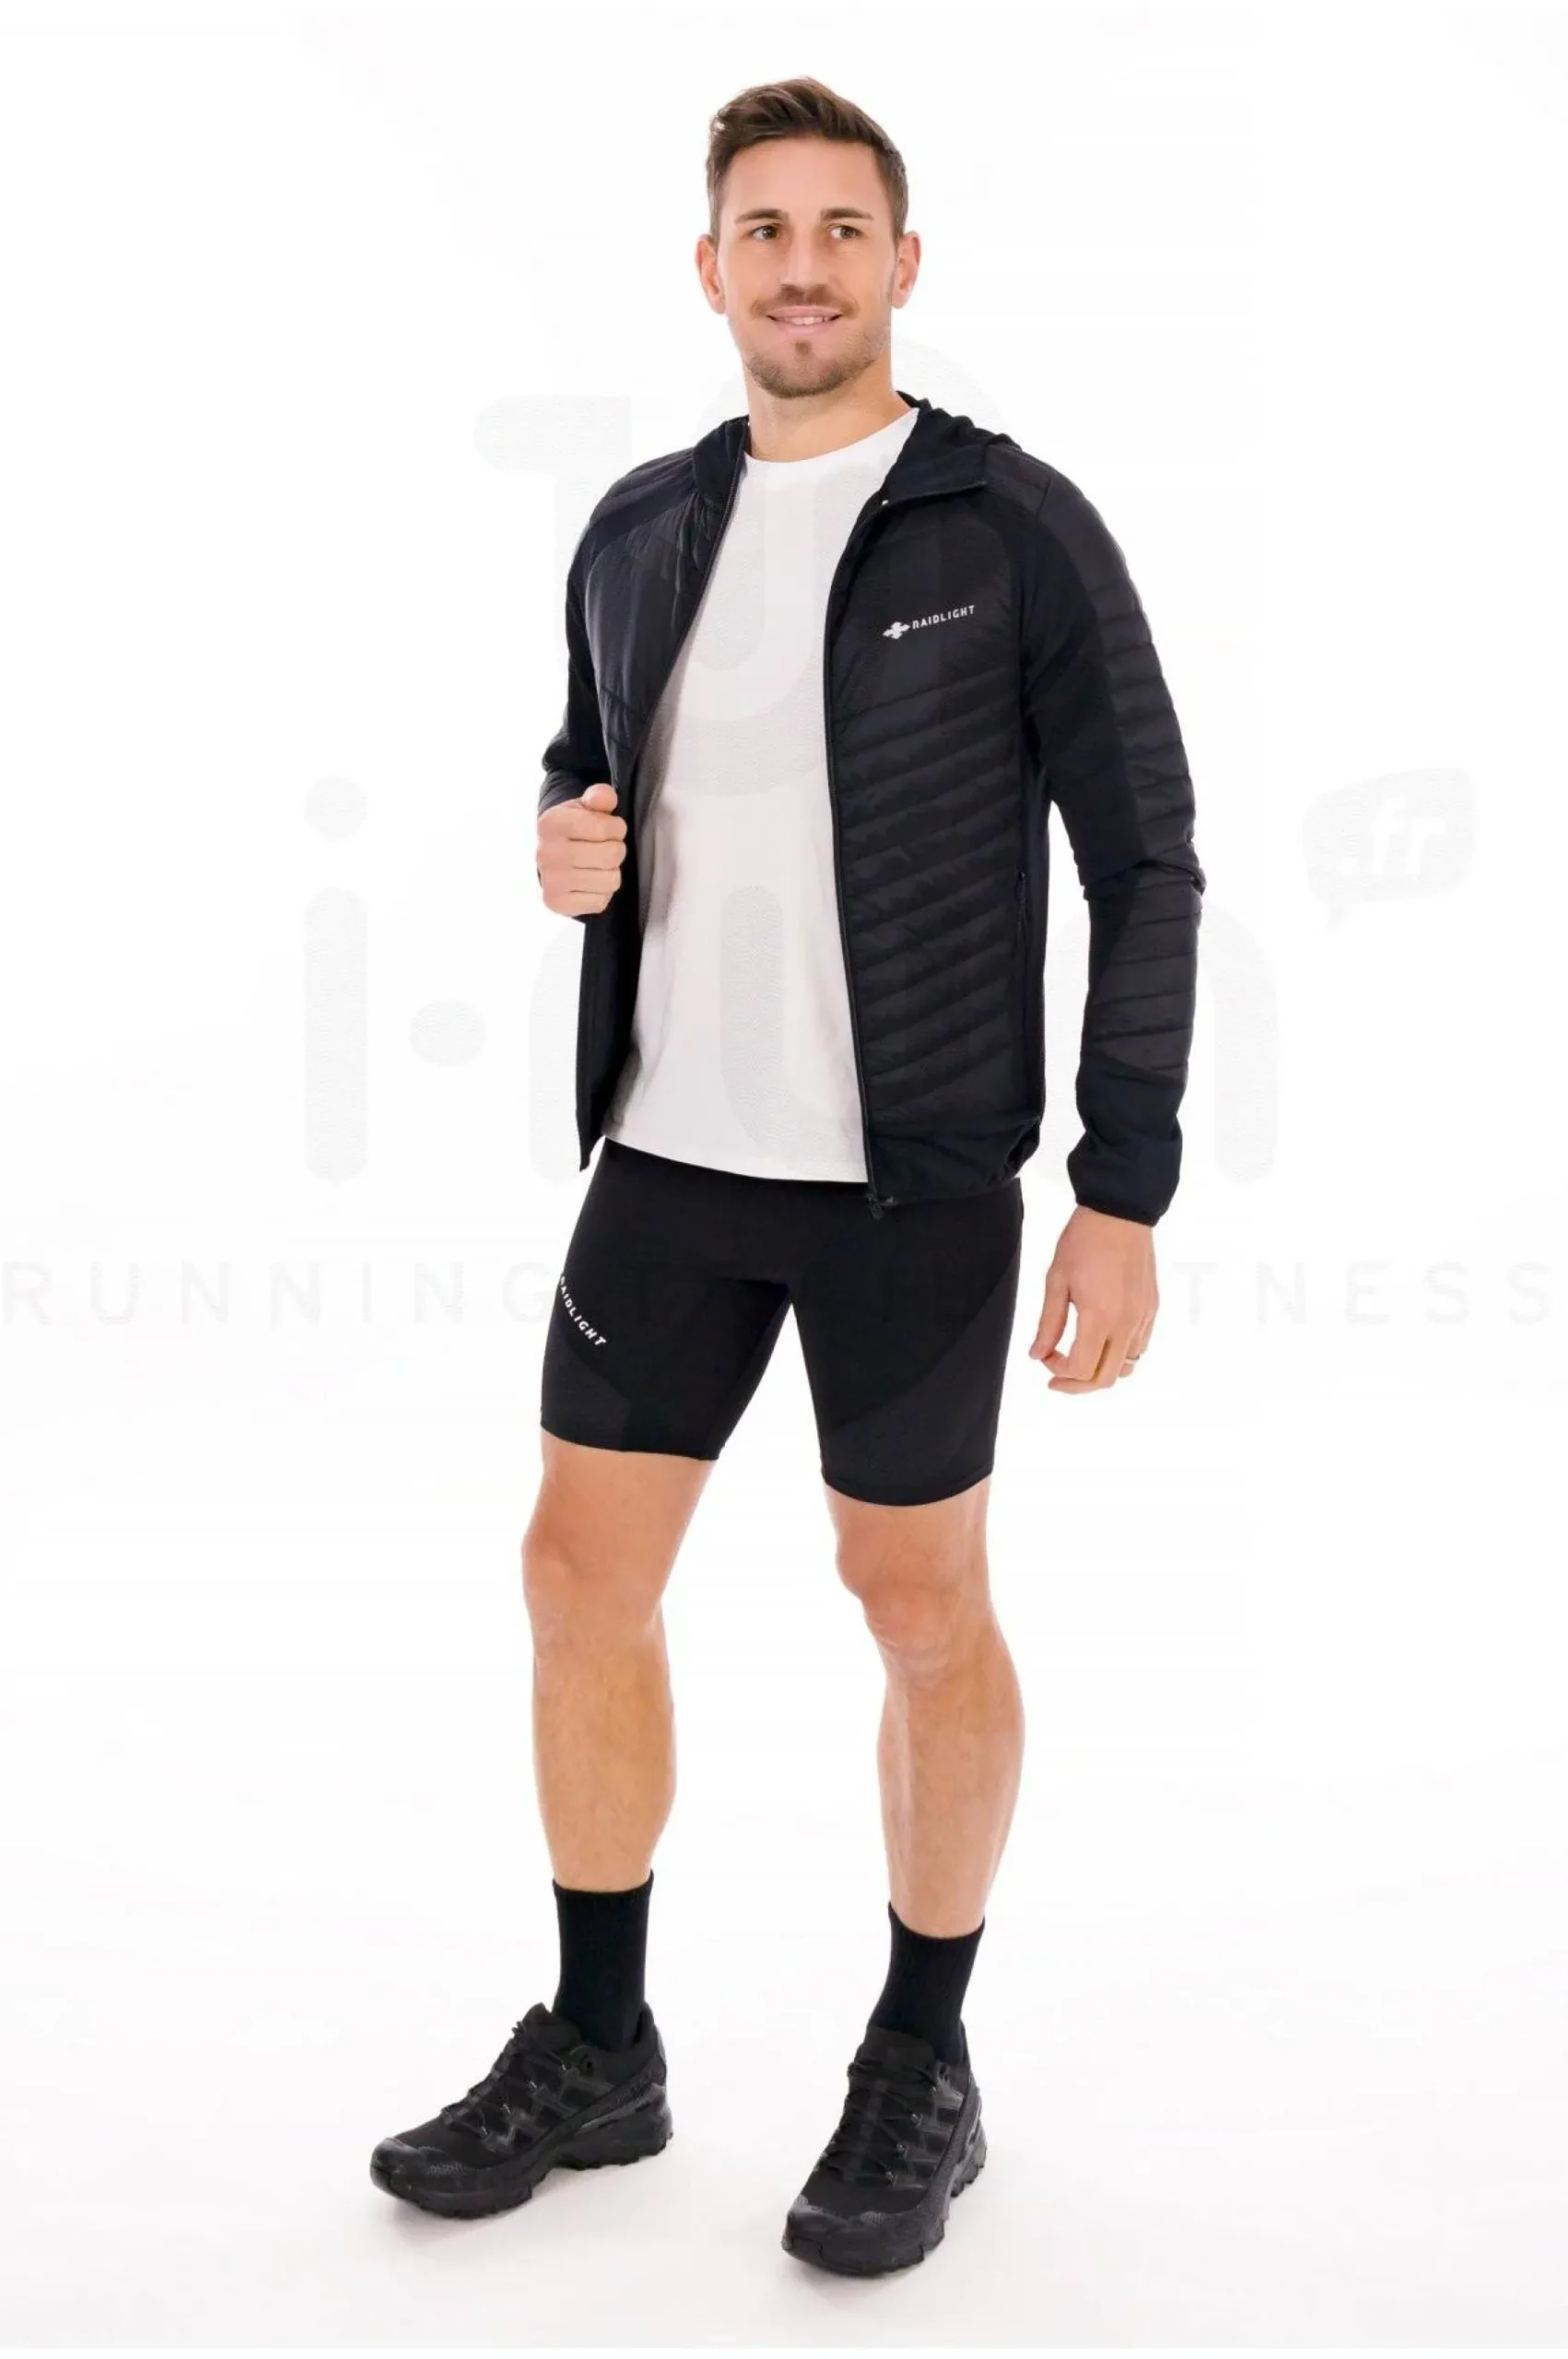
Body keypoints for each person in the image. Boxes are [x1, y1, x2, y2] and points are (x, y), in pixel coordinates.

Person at [371, 74, 1204, 2278]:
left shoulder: (1008, 528)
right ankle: (600, 2039)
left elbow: (1144, 857)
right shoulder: (638, 525)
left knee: (914, 1602)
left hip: (909, 1183)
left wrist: (1122, 1185)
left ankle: (921, 2054)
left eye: (843, 229)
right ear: (710, 267)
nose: (804, 266)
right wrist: (562, 846)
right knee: (574, 1577)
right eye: (765, 230)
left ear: (901, 264)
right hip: (666, 1161)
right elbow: (589, 768)